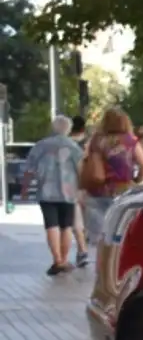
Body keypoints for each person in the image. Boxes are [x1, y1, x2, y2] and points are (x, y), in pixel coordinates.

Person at [22, 115, 86, 276]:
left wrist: (25, 189)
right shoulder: (74, 147)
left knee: (51, 225)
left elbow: (29, 169)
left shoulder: (40, 146)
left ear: (53, 127)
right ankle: (63, 260)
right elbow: (81, 171)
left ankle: (57, 259)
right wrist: (82, 190)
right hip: (69, 192)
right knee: (66, 226)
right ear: (68, 129)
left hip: (46, 191)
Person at [80, 107, 143, 246]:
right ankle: (115, 263)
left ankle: (101, 263)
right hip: (123, 191)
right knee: (120, 235)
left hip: (97, 192)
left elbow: (85, 162)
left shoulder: (96, 140)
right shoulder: (130, 141)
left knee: (100, 239)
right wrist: (137, 180)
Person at [68, 115, 90, 267]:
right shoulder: (90, 143)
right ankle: (84, 247)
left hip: (72, 185)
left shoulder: (66, 144)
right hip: (92, 184)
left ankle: (82, 249)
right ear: (83, 128)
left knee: (76, 219)